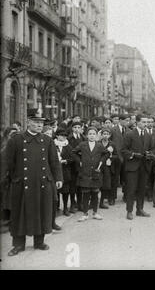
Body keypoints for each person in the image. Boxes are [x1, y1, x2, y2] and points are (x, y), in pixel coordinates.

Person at [5, 110, 63, 256]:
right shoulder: (16, 140)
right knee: (20, 214)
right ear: (28, 122)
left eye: (41, 123)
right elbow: (8, 162)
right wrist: (15, 178)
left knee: (42, 212)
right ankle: (18, 245)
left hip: (43, 182)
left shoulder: (47, 140)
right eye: (36, 122)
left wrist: (59, 178)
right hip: (22, 183)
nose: (39, 125)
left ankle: (39, 242)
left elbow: (54, 162)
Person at [72, 127, 108, 222]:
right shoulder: (82, 144)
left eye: (93, 134)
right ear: (87, 135)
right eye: (90, 134)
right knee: (86, 193)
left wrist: (101, 161)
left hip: (96, 172)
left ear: (96, 136)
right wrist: (79, 161)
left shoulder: (99, 145)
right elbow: (73, 152)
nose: (92, 136)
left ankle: (95, 213)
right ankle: (85, 213)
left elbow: (106, 154)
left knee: (95, 193)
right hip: (85, 172)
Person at [122, 115, 152, 220]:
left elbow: (150, 149)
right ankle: (129, 211)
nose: (146, 124)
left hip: (144, 166)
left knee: (142, 189)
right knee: (131, 189)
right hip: (132, 166)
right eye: (143, 122)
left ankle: (140, 209)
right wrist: (133, 154)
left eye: (147, 122)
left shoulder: (148, 135)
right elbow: (123, 150)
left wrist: (149, 154)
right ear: (137, 122)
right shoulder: (129, 134)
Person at [54, 128, 73, 217]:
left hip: (65, 171)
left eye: (65, 136)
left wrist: (66, 161)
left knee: (65, 191)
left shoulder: (68, 146)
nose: (63, 137)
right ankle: (56, 208)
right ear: (57, 136)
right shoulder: (52, 145)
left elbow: (72, 158)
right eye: (61, 135)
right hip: (55, 172)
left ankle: (65, 208)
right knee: (55, 191)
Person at [110, 114, 129, 204]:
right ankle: (112, 197)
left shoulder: (129, 131)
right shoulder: (113, 130)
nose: (127, 122)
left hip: (126, 158)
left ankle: (125, 195)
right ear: (120, 120)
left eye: (128, 121)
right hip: (116, 157)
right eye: (126, 120)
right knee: (114, 178)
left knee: (126, 178)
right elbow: (109, 142)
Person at [99, 128, 119, 209]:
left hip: (108, 166)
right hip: (99, 166)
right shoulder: (98, 143)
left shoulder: (112, 144)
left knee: (107, 183)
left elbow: (116, 155)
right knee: (99, 183)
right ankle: (98, 201)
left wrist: (110, 157)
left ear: (109, 135)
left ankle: (109, 199)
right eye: (104, 134)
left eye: (107, 134)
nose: (105, 136)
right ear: (101, 135)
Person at [68, 122, 85, 212]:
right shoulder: (69, 138)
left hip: (81, 164)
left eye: (79, 127)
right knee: (72, 186)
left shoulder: (83, 137)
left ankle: (80, 203)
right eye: (75, 127)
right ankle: (72, 204)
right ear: (72, 128)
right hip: (72, 165)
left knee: (80, 185)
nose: (77, 129)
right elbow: (70, 151)